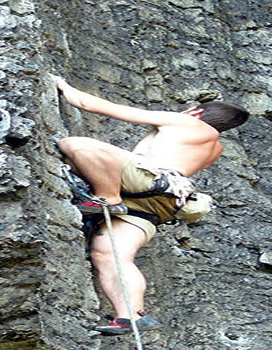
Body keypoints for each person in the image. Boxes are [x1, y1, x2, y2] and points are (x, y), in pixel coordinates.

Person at [53, 75, 249, 335]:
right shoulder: (215, 147)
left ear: (196, 112)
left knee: (75, 145)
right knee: (110, 255)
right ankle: (130, 316)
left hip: (148, 182)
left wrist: (63, 86)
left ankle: (107, 198)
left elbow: (93, 106)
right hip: (162, 203)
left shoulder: (187, 122)